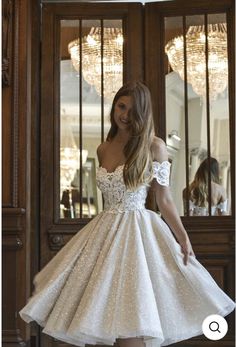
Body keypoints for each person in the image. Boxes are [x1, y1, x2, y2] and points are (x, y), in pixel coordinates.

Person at [19, 81, 235, 347]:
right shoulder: (102, 149)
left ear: (143, 114)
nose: (124, 115)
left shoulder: (155, 147)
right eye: (121, 106)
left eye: (133, 111)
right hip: (103, 233)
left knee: (133, 318)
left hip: (137, 234)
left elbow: (164, 199)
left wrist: (183, 238)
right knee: (101, 316)